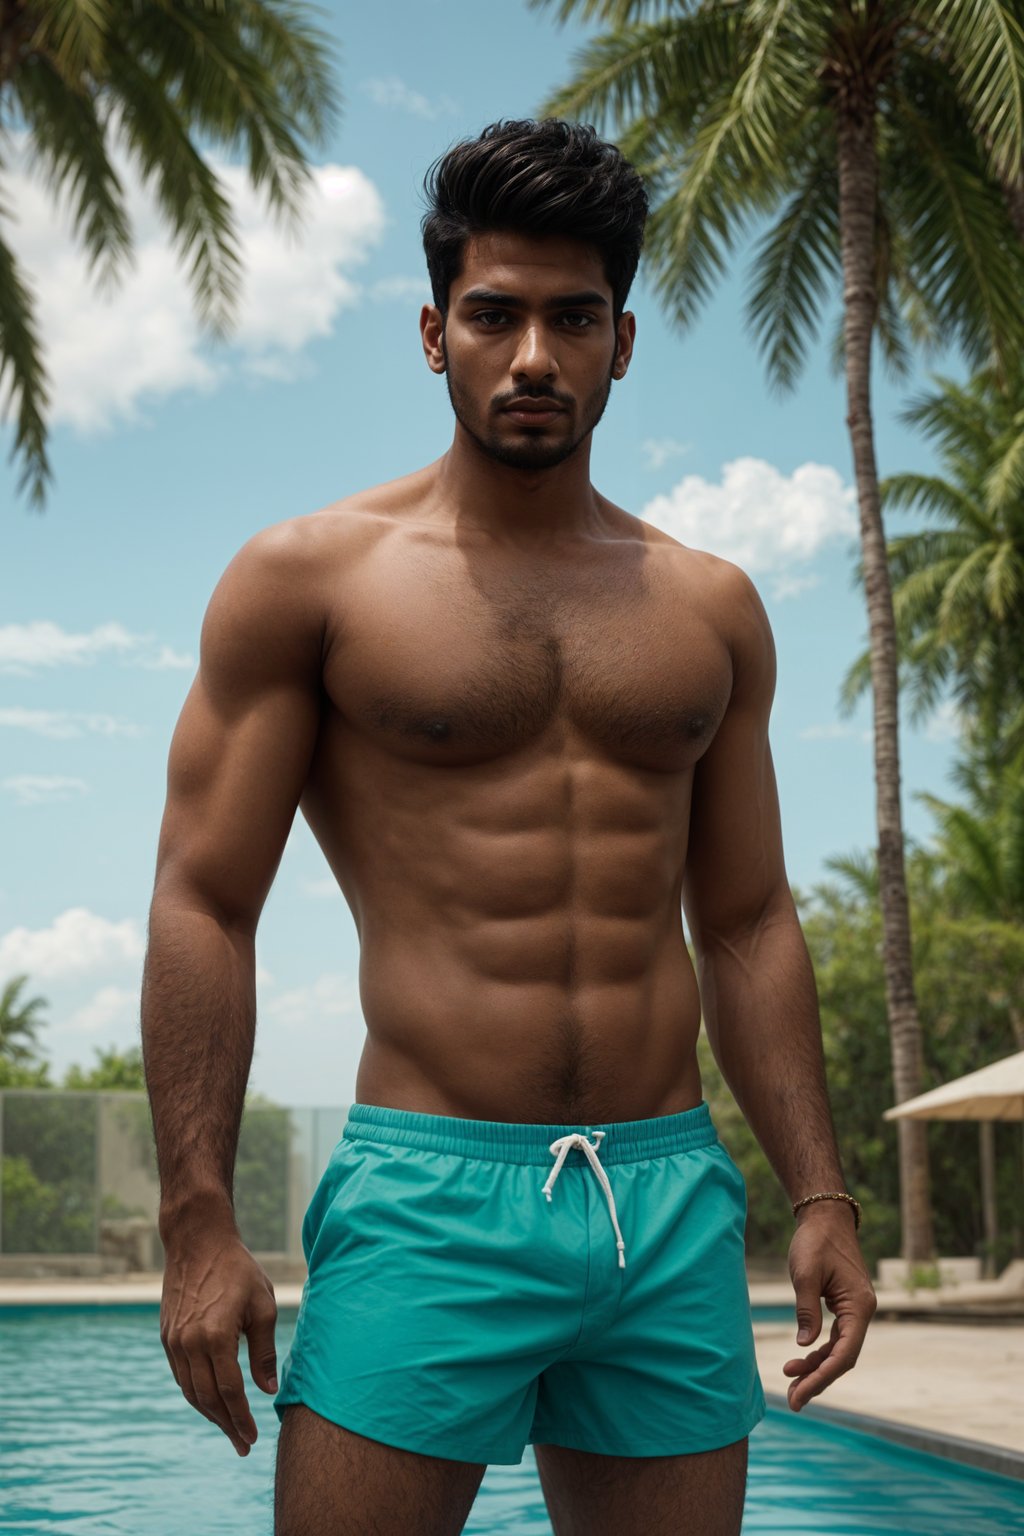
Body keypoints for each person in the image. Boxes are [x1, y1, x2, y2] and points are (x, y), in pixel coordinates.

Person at [141, 117, 877, 1536]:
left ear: (623, 340)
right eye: (495, 315)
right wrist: (198, 1219)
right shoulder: (313, 581)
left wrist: (821, 1194)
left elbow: (746, 918)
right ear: (434, 334)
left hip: (663, 1202)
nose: (533, 355)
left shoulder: (708, 606)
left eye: (572, 317)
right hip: (429, 1194)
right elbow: (204, 899)